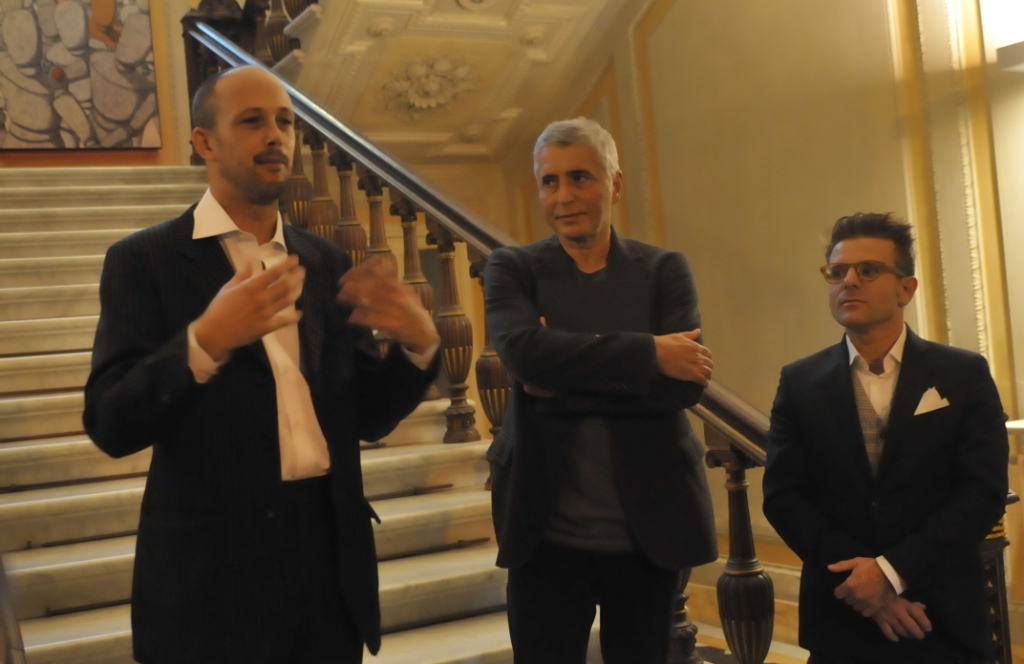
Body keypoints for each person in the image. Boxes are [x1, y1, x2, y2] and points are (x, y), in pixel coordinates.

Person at [83, 66, 439, 664]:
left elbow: (367, 416)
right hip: (212, 577)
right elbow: (110, 422)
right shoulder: (144, 260)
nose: (276, 135)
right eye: (252, 121)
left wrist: (418, 346)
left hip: (326, 567)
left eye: (285, 122)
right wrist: (205, 340)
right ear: (205, 142)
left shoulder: (325, 261)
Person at [484, 117, 718, 664]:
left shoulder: (664, 270)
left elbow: (682, 389)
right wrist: (650, 353)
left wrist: (557, 374)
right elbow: (523, 355)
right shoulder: (513, 268)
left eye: (580, 178)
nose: (563, 196)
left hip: (646, 530)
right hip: (544, 531)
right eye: (550, 181)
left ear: (614, 185)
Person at [762, 213, 1008, 664]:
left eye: (868, 270)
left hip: (940, 614)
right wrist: (867, 587)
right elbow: (784, 497)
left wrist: (893, 573)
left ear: (905, 289)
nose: (849, 281)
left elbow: (982, 490)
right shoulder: (800, 382)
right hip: (840, 617)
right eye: (837, 272)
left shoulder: (962, 373)